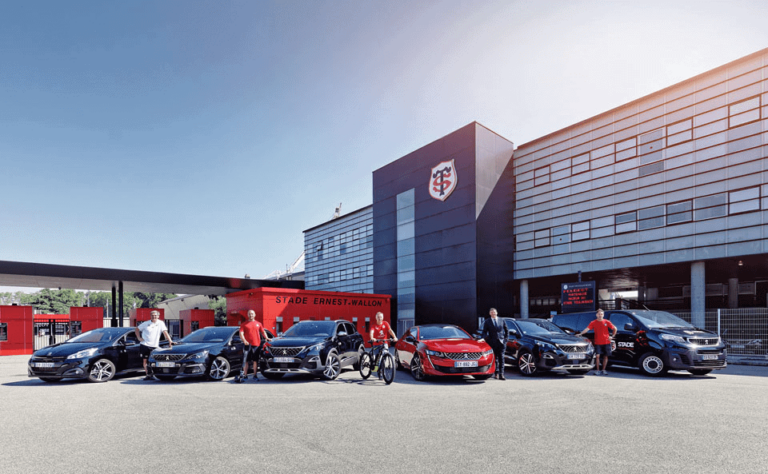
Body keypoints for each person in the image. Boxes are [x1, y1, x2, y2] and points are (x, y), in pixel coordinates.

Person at [135, 310, 173, 380]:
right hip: (145, 345)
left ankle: (156, 373)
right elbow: (137, 329)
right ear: (150, 316)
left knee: (154, 360)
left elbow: (165, 332)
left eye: (155, 316)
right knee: (145, 361)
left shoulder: (161, 323)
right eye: (152, 316)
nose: (154, 317)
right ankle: (148, 375)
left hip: (155, 346)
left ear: (158, 316)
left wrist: (170, 341)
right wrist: (139, 338)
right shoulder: (146, 323)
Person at [578, 308, 617, 375]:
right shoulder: (593, 322)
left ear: (603, 315)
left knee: (605, 356)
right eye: (599, 314)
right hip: (598, 342)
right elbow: (587, 329)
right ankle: (597, 370)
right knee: (598, 356)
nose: (600, 315)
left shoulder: (607, 322)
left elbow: (615, 328)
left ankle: (603, 370)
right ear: (596, 315)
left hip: (606, 342)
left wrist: (612, 336)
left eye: (601, 314)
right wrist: (581, 334)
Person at [235, 310, 271, 383]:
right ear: (247, 315)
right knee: (246, 361)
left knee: (255, 361)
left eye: (252, 314)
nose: (250, 315)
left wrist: (266, 338)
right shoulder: (244, 324)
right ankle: (245, 375)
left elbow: (263, 331)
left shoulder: (258, 324)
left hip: (256, 345)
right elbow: (241, 334)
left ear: (254, 315)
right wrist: (244, 341)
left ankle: (255, 375)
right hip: (247, 345)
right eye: (249, 314)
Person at [481, 308, 508, 380]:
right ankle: (496, 373)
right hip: (492, 342)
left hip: (501, 342)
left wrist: (505, 340)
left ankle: (501, 374)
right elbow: (484, 332)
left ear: (497, 312)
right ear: (490, 313)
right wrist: (486, 338)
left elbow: (506, 330)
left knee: (501, 358)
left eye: (494, 312)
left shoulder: (501, 320)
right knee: (495, 358)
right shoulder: (487, 321)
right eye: (492, 312)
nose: (493, 313)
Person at [369, 312, 397, 379]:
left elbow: (390, 330)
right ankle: (377, 369)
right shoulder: (374, 325)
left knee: (384, 356)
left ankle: (381, 370)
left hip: (384, 343)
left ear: (383, 318)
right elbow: (371, 332)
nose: (380, 318)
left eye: (381, 317)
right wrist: (372, 338)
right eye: (378, 317)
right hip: (376, 344)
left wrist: (394, 337)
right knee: (376, 358)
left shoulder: (385, 323)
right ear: (376, 318)